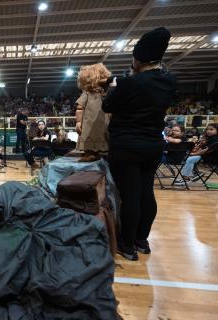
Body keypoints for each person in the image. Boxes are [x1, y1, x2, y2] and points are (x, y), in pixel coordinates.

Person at [102, 27, 177, 261]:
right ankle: (141, 240)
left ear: (138, 58)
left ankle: (127, 245)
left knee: (130, 195)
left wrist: (116, 87)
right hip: (153, 144)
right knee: (146, 192)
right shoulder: (169, 82)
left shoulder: (129, 83)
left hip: (127, 145)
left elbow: (108, 106)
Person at [75, 63, 111, 162]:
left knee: (100, 136)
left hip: (102, 122)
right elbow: (79, 108)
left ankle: (97, 153)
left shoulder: (104, 94)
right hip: (88, 123)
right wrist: (78, 122)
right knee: (87, 136)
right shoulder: (87, 93)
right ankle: (88, 154)